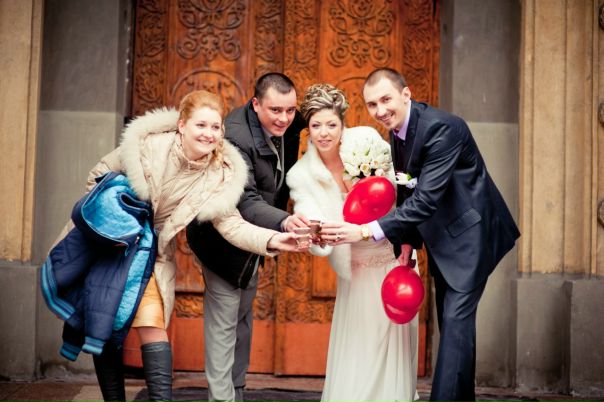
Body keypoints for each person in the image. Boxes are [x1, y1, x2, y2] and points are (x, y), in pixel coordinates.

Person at [80, 90, 304, 402]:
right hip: (110, 244)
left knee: (152, 323)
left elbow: (231, 224)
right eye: (201, 125)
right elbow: (97, 177)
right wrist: (116, 225)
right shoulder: (148, 146)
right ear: (182, 125)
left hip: (152, 253)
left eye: (215, 127)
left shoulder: (219, 172)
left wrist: (273, 239)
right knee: (105, 324)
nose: (208, 134)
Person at [321, 68, 521, 402]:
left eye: (386, 99)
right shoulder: (397, 131)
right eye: (372, 104)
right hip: (443, 240)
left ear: (406, 94)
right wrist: (407, 241)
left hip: (470, 238)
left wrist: (366, 230)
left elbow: (426, 199)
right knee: (455, 328)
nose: (380, 110)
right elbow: (406, 190)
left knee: (454, 325)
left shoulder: (443, 128)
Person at [285, 83, 418, 402]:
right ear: (308, 129)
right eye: (316, 125)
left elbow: (401, 185)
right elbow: (309, 213)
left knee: (393, 340)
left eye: (331, 124)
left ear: (342, 123)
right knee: (361, 344)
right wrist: (313, 231)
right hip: (356, 266)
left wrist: (406, 238)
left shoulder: (366, 141)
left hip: (391, 253)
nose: (324, 133)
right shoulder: (301, 175)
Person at [186, 73, 308, 402]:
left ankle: (236, 391)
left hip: (256, 238)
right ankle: (222, 398)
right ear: (256, 104)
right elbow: (247, 200)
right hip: (221, 241)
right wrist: (285, 221)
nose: (284, 118)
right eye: (275, 110)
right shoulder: (236, 138)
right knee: (224, 325)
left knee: (241, 320)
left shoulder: (287, 122)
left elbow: (313, 115)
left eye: (290, 110)